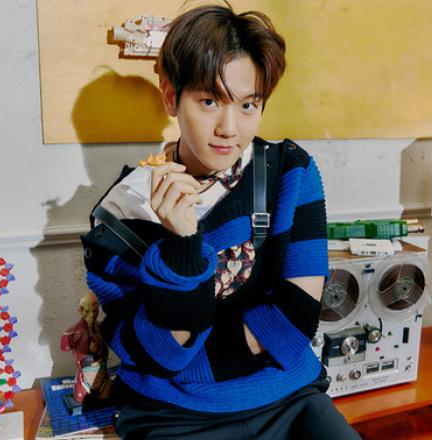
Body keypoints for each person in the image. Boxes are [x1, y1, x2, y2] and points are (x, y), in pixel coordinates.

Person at [82, 3, 361, 439]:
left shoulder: (289, 173)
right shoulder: (122, 213)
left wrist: (191, 351)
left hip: (288, 397)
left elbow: (295, 319)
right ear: (171, 96)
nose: (229, 128)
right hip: (172, 414)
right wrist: (183, 245)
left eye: (249, 105)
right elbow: (155, 356)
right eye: (210, 101)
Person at [60, 294, 111, 404]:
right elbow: (65, 347)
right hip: (84, 383)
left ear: (99, 308)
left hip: (103, 380)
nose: (92, 315)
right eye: (87, 311)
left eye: (95, 310)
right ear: (80, 310)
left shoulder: (105, 329)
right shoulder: (70, 334)